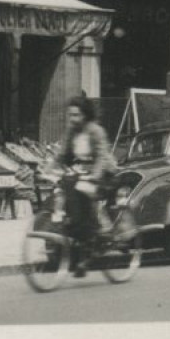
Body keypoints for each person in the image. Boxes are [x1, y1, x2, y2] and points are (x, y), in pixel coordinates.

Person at [58, 94, 117, 275]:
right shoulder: (72, 131)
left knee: (86, 199)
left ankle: (99, 233)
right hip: (82, 173)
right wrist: (49, 168)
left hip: (103, 173)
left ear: (85, 115)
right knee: (70, 199)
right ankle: (83, 246)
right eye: (70, 115)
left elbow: (101, 156)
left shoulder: (96, 131)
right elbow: (62, 153)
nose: (73, 119)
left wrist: (95, 176)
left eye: (76, 115)